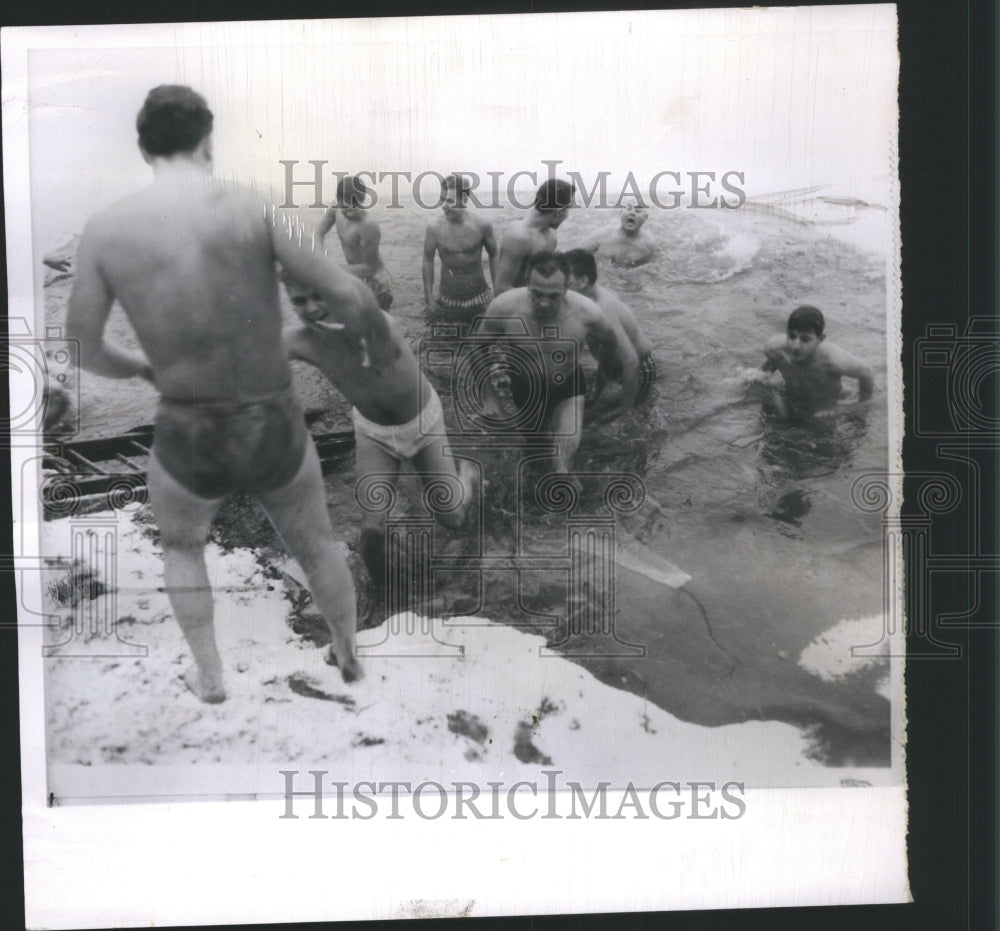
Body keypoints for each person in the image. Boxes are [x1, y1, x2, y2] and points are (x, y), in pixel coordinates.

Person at [65, 85, 388, 702]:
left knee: (184, 547)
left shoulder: (106, 229)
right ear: (208, 141)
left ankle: (211, 673)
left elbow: (83, 345)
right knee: (317, 544)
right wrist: (364, 352)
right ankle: (347, 654)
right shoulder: (252, 206)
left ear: (143, 148)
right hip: (270, 419)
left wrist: (141, 369)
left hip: (187, 426)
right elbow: (348, 294)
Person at [281, 272, 477, 599]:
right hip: (373, 433)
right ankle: (385, 599)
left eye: (320, 297)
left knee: (454, 519)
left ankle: (467, 476)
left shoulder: (376, 325)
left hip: (423, 423)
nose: (312, 309)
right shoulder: (302, 342)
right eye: (299, 302)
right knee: (371, 531)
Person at [480, 252, 639, 482]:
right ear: (527, 281)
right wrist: (489, 395)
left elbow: (609, 346)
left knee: (563, 468)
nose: (544, 302)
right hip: (525, 390)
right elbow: (478, 346)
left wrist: (601, 381)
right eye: (537, 293)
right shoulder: (504, 308)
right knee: (535, 454)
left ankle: (566, 499)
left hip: (568, 389)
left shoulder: (588, 314)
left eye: (553, 296)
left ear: (567, 287)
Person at [564, 249, 657, 406]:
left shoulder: (602, 307)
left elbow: (631, 362)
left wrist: (625, 414)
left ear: (583, 281)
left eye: (566, 282)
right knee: (594, 405)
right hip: (609, 361)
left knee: (628, 414)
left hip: (639, 367)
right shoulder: (585, 298)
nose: (561, 287)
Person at [761, 305, 875, 413]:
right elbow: (766, 369)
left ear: (820, 339)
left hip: (826, 405)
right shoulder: (774, 348)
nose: (795, 346)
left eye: (805, 339)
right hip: (793, 399)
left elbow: (867, 373)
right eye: (791, 336)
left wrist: (861, 407)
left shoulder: (834, 360)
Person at [422, 174, 498, 331]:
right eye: (442, 200)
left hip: (479, 298)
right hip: (448, 299)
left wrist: (498, 292)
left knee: (483, 347)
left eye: (449, 201)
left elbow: (494, 255)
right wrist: (429, 299)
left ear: (463, 199)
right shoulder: (434, 228)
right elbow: (427, 261)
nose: (443, 206)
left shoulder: (482, 225)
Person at [316, 175, 394, 310]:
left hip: (377, 283)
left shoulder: (368, 225)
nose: (351, 210)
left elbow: (370, 268)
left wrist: (331, 270)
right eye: (346, 206)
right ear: (338, 199)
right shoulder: (335, 210)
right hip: (355, 275)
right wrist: (319, 259)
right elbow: (318, 233)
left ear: (362, 200)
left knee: (377, 325)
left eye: (355, 205)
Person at [493, 178, 575, 294]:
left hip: (534, 297)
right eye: (569, 209)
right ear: (558, 211)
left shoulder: (551, 235)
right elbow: (501, 289)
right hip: (516, 304)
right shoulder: (519, 237)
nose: (567, 215)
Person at [578, 195, 658, 266]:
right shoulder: (602, 235)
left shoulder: (649, 244)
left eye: (638, 211)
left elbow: (658, 267)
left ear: (645, 217)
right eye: (628, 209)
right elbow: (576, 255)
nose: (632, 213)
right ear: (621, 212)